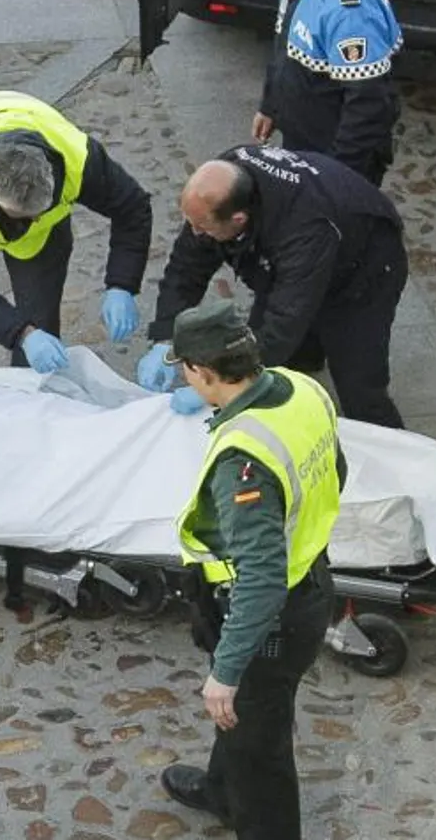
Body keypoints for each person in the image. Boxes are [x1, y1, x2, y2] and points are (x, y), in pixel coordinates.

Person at [155, 299, 342, 840]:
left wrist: (227, 670)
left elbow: (261, 577)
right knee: (243, 725)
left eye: (184, 370)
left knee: (259, 741)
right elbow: (336, 469)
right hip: (310, 581)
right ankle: (221, 789)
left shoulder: (245, 461)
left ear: (203, 373)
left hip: (270, 615)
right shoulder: (299, 387)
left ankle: (258, 819)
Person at [137, 145, 407, 429]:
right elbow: (186, 267)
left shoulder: (303, 228)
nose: (195, 234)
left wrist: (223, 390)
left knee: (359, 385)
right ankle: (301, 379)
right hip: (290, 261)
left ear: (238, 220)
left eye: (203, 228)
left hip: (364, 268)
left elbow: (284, 321)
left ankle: (396, 453)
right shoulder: (220, 190)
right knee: (284, 357)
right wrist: (165, 337)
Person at [0, 89, 153, 375]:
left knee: (40, 324)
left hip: (18, 122)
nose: (35, 221)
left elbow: (133, 207)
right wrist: (21, 334)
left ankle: (33, 400)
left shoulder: (77, 159)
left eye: (42, 211)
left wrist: (121, 284)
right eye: (24, 216)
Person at [251, 0, 404, 188]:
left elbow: (369, 103)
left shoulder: (348, 11)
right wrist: (271, 104)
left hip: (333, 160)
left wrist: (337, 179)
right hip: (305, 142)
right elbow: (285, 49)